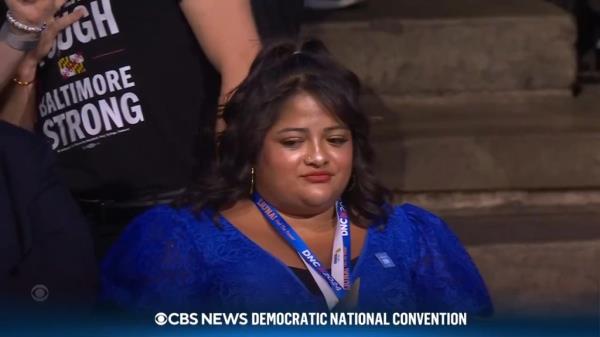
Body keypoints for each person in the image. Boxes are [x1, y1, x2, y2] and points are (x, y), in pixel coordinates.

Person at [100, 39, 493, 313]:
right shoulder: (180, 242)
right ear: (252, 146)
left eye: (336, 139)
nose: (319, 156)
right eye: (293, 142)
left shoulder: (412, 236)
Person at [0, 0, 261, 259]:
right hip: (71, 226)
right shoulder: (20, 11)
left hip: (184, 207)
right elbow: (16, 149)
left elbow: (242, 64)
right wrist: (27, 61)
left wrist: (230, 196)